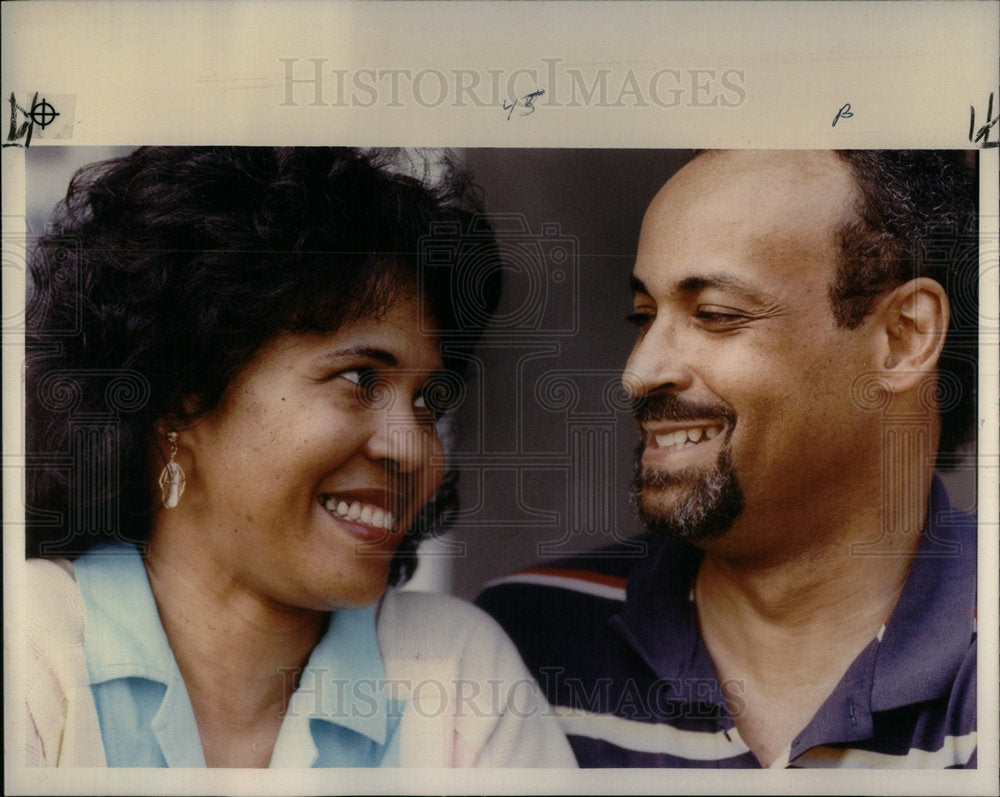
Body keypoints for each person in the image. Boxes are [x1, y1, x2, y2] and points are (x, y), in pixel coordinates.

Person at [24, 146, 576, 768]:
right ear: (181, 400)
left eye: (427, 402)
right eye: (361, 380)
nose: (412, 446)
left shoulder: (454, 672)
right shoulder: (31, 646)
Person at [477, 150, 978, 768]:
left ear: (903, 336)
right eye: (643, 317)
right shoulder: (520, 645)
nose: (639, 373)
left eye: (714, 315)